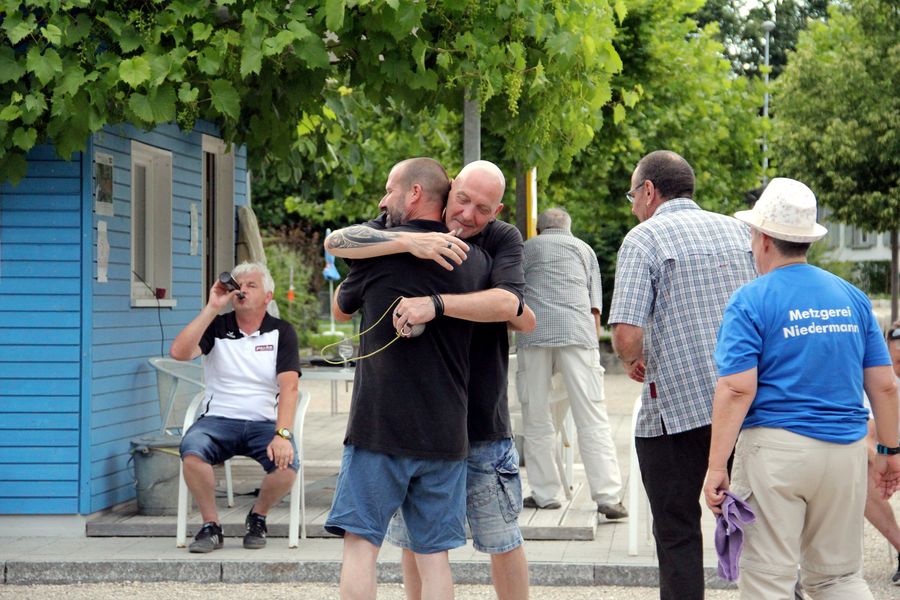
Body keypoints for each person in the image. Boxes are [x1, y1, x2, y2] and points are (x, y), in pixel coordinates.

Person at [324, 159, 533, 600]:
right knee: (428, 551)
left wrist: (434, 303)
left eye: (484, 208)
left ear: (496, 212)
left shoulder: (498, 241)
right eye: (462, 200)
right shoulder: (473, 261)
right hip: (447, 431)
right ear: (448, 189)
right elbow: (339, 241)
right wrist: (407, 243)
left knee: (367, 547)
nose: (469, 215)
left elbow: (516, 309)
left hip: (446, 423)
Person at [703, 177, 900, 598]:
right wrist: (889, 451)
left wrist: (716, 466)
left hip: (775, 452)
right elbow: (884, 385)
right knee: (839, 577)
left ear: (763, 239)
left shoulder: (750, 300)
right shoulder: (852, 297)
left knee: (768, 579)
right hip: (843, 454)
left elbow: (737, 389)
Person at [608, 150, 756, 599]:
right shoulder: (742, 232)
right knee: (763, 533)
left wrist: (634, 358)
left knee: (676, 534)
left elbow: (627, 334)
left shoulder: (643, 238)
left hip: (674, 409)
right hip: (745, 407)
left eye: (634, 195)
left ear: (649, 191)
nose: (633, 205)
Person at [170, 261, 301, 553]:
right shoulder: (217, 326)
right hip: (218, 419)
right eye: (238, 285)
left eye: (251, 285)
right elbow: (179, 353)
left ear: (268, 297)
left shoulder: (282, 332)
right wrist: (212, 307)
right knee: (192, 450)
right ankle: (211, 526)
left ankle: (258, 516)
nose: (242, 290)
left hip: (264, 422)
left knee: (288, 466)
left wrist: (282, 433)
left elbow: (289, 387)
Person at [516, 207, 626, 518]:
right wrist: (593, 348)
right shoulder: (583, 249)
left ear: (539, 228)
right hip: (578, 334)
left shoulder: (525, 249)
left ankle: (546, 493)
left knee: (536, 417)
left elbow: (515, 296)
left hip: (534, 334)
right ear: (569, 225)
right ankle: (608, 496)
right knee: (591, 415)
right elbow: (594, 306)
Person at [864, 321, 900, 586]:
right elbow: (865, 431)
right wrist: (884, 459)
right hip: (888, 455)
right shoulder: (879, 380)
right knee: (859, 472)